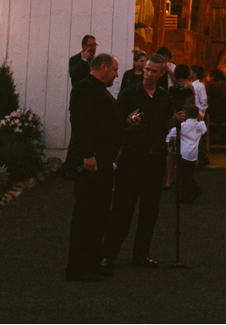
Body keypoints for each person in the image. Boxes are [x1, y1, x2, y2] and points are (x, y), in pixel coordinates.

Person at [104, 54, 185, 269]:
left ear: (161, 74)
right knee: (122, 206)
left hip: (155, 156)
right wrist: (129, 123)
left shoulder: (163, 97)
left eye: (154, 71)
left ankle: (141, 253)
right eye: (147, 69)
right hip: (132, 155)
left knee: (150, 209)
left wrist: (176, 119)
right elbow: (116, 123)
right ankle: (109, 254)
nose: (148, 74)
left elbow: (165, 122)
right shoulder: (129, 93)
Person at [65, 53, 121, 282]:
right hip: (91, 163)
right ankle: (77, 268)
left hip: (105, 162)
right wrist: (88, 154)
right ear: (104, 66)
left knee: (100, 215)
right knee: (86, 215)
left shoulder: (99, 89)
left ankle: (92, 261)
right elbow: (79, 121)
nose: (117, 74)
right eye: (115, 69)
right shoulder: (84, 88)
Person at [63, 35, 99, 175]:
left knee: (89, 134)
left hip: (93, 103)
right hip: (80, 103)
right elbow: (74, 74)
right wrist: (83, 60)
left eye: (95, 45)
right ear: (84, 46)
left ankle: (83, 165)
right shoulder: (75, 60)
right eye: (91, 45)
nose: (93, 48)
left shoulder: (96, 61)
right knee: (77, 135)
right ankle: (69, 168)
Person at [168, 105, 207, 202]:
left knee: (183, 174)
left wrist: (169, 141)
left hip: (184, 152)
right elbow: (204, 129)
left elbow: (172, 133)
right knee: (189, 172)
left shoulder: (183, 126)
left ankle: (194, 189)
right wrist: (200, 120)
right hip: (193, 154)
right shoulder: (199, 126)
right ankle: (186, 195)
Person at [206, 71, 226, 149]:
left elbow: (207, 100)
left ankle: (207, 141)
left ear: (214, 77)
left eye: (211, 77)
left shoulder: (211, 86)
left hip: (213, 114)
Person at [190, 65, 210, 164]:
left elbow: (203, 101)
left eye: (191, 71)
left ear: (195, 74)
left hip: (197, 115)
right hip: (191, 114)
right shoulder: (190, 85)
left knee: (196, 137)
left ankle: (203, 158)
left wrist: (201, 113)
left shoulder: (200, 86)